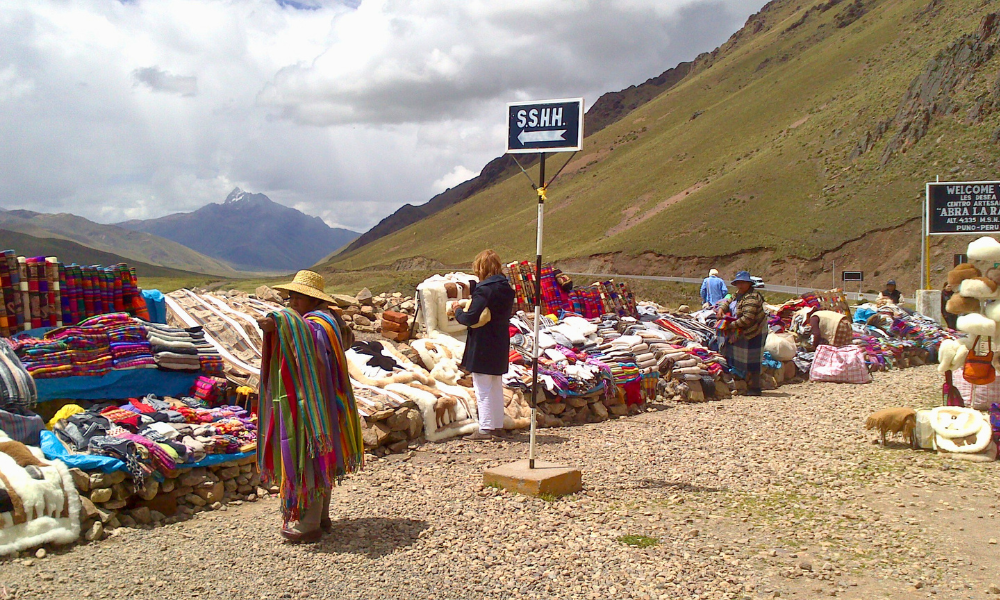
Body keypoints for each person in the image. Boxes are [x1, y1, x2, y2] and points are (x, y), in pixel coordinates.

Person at [256, 270, 363, 543]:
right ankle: (322, 517)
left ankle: (309, 524)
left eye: (295, 297)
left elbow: (305, 338)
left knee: (309, 454)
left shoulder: (317, 324)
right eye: (289, 297)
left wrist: (279, 322)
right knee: (322, 454)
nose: (290, 302)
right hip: (326, 398)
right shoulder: (330, 321)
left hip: (313, 400)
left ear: (310, 299)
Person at [454, 250, 515, 441]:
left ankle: (486, 428)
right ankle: (496, 425)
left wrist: (457, 311)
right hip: (500, 339)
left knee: (482, 386)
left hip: (483, 341)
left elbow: (471, 317)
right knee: (496, 384)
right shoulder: (507, 288)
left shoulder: (484, 289)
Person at [722, 271, 768, 396]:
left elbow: (748, 318)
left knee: (753, 359)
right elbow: (729, 300)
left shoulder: (752, 297)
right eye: (738, 283)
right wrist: (722, 309)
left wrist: (730, 326)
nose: (740, 285)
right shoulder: (739, 294)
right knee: (738, 354)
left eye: (743, 283)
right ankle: (741, 381)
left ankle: (755, 387)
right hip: (743, 329)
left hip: (755, 330)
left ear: (749, 284)